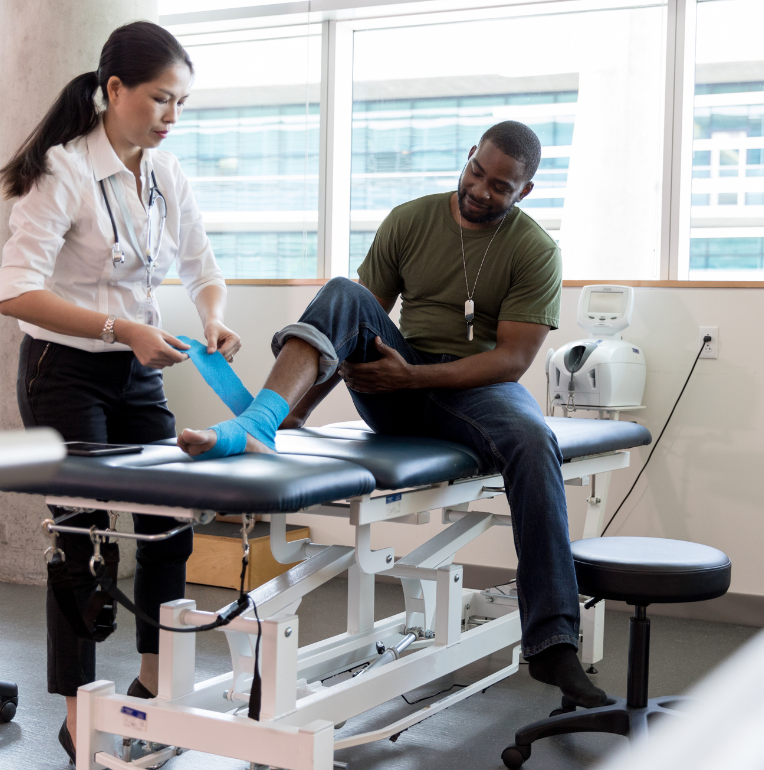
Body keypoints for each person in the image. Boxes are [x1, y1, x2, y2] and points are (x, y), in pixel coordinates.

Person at [177, 120, 609, 709]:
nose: (480, 190)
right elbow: (347, 324)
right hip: (393, 383)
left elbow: (510, 360)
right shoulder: (411, 219)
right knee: (344, 290)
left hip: (476, 388)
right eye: (476, 172)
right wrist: (299, 414)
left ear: (524, 191)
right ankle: (263, 420)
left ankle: (554, 641)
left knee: (534, 439)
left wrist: (415, 377)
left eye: (500, 186)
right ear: (469, 159)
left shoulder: (534, 250)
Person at [0, 21, 240, 763]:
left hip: (139, 371)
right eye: (160, 99)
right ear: (113, 91)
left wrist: (213, 318)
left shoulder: (168, 176)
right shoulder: (62, 170)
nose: (171, 117)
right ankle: (80, 715)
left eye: (182, 104)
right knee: (82, 537)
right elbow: (13, 293)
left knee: (169, 522)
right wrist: (119, 329)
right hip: (64, 369)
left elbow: (202, 265)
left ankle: (149, 690)